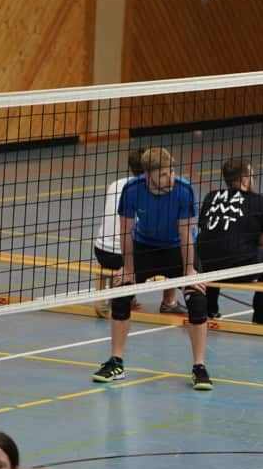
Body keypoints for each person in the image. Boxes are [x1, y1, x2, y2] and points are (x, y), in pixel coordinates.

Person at [91, 147, 212, 391]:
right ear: (147, 176)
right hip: (144, 246)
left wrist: (189, 271)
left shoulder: (183, 190)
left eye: (172, 171)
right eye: (163, 174)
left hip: (176, 248)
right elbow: (125, 231)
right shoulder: (132, 190)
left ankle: (199, 367)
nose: (170, 178)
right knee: (121, 294)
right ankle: (116, 362)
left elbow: (186, 234)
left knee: (197, 299)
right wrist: (128, 268)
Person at [196, 158, 263, 324]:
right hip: (239, 270)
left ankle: (209, 309)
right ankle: (261, 315)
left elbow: (205, 231)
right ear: (244, 180)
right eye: (252, 176)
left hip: (207, 267)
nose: (253, 179)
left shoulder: (210, 197)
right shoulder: (261, 202)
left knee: (213, 248)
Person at [93, 148, 147, 314]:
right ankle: (168, 302)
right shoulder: (147, 189)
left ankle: (123, 295)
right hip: (123, 256)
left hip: (101, 251)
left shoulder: (115, 184)